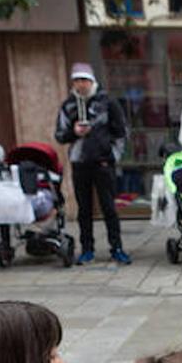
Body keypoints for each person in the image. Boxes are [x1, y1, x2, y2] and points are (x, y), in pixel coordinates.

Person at [55, 63, 131, 266]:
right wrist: (74, 132)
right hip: (80, 162)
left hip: (103, 161)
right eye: (77, 80)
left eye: (84, 80)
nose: (81, 84)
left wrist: (113, 155)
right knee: (84, 208)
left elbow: (121, 131)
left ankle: (117, 247)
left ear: (92, 81)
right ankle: (87, 249)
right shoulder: (68, 105)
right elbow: (60, 135)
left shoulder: (107, 102)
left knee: (109, 207)